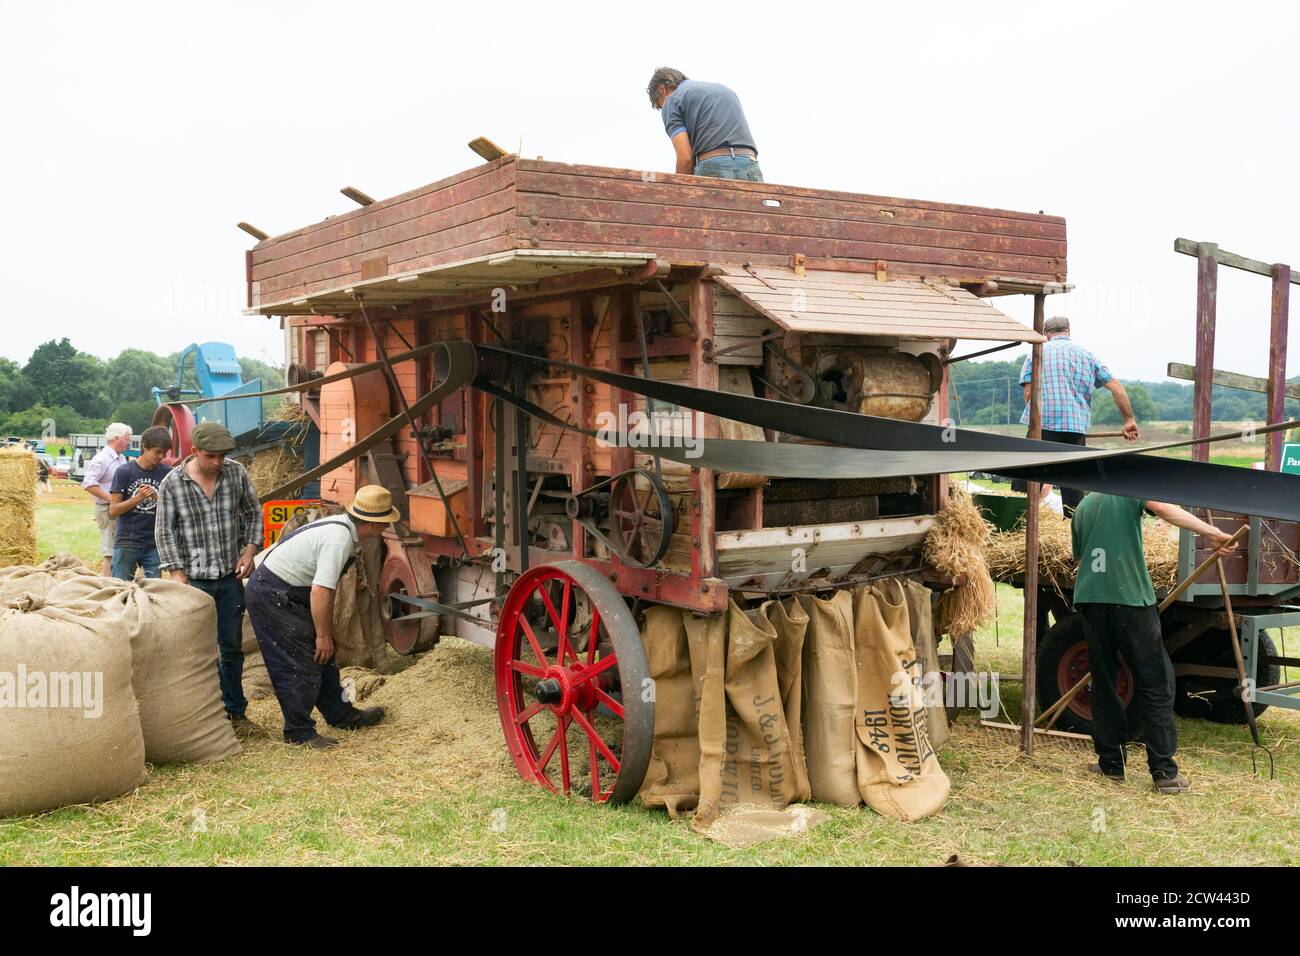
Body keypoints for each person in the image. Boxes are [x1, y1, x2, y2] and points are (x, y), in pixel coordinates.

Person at [1070, 492, 1237, 794]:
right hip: (1130, 600)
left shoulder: (1082, 506)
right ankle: (1164, 772)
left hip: (1092, 601)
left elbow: (1081, 560)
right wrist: (1213, 532)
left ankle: (1110, 764)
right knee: (1154, 681)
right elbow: (1162, 508)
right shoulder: (1128, 491)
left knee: (1104, 682)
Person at [244, 486, 394, 748]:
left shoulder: (343, 529)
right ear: (371, 523)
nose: (384, 529)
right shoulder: (339, 539)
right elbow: (321, 590)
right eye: (383, 524)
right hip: (274, 593)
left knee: (325, 657)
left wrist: (327, 631)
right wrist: (323, 635)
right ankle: (299, 732)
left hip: (291, 590)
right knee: (298, 661)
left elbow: (323, 587)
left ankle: (341, 714)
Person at [155, 422, 263, 730]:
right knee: (196, 650)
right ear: (194, 452)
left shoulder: (236, 473)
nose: (218, 462)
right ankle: (199, 717)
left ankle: (236, 713)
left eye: (222, 456)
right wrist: (176, 571)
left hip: (229, 577)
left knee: (230, 647)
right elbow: (164, 531)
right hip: (193, 579)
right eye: (211, 456)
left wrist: (249, 551)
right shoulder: (172, 483)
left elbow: (255, 511)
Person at [1018, 316, 1140, 515]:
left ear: (1045, 334)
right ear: (1068, 331)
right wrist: (1129, 421)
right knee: (1072, 483)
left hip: (1043, 425)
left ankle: (1021, 524)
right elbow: (1116, 387)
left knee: (1029, 480)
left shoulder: (1037, 353)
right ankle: (1072, 529)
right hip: (1075, 429)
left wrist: (1033, 425)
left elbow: (1028, 393)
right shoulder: (1087, 356)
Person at [646, 67, 762, 181]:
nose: (664, 108)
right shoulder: (726, 90)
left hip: (713, 166)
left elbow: (685, 160)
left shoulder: (672, 100)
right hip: (750, 164)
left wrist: (679, 192)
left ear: (662, 90)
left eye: (661, 105)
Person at [108, 425, 172, 580]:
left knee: (152, 593)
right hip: (126, 542)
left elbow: (172, 510)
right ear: (144, 446)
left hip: (154, 544)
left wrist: (157, 498)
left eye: (164, 452)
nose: (161, 456)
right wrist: (138, 498)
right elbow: (113, 511)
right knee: (120, 590)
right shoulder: (125, 471)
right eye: (157, 451)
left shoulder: (167, 473)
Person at [82, 423, 133, 575]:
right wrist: (112, 499)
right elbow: (88, 483)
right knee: (110, 552)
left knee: (119, 549)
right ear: (116, 438)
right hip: (107, 510)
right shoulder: (102, 459)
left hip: (119, 510)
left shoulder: (121, 458)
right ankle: (108, 585)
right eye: (126, 439)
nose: (128, 442)